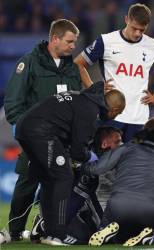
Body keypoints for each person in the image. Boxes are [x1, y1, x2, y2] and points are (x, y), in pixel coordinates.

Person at [15, 82, 125, 246]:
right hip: (41, 131)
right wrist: (90, 156)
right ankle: (57, 235)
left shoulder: (82, 98)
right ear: (115, 110)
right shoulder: (90, 110)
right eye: (118, 113)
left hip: (25, 128)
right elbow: (77, 150)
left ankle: (48, 231)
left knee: (49, 178)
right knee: (64, 177)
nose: (116, 117)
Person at [3, 19, 82, 241]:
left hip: (62, 139)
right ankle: (15, 231)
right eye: (69, 41)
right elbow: (13, 103)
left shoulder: (73, 68)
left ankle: (45, 230)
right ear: (54, 38)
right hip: (36, 137)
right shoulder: (29, 63)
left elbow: (78, 102)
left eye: (74, 42)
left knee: (57, 185)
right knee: (27, 183)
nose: (73, 46)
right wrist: (26, 131)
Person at [74, 3, 154, 142]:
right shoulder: (106, 41)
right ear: (126, 19)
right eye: (134, 28)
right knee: (108, 161)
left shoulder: (152, 45)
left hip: (139, 119)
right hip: (112, 116)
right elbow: (78, 63)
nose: (138, 33)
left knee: (133, 163)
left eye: (142, 30)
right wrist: (93, 88)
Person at [84, 116, 154, 247]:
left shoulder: (125, 148)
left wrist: (81, 165)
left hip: (118, 205)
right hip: (150, 208)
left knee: (112, 230)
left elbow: (97, 169)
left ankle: (104, 230)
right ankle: (153, 238)